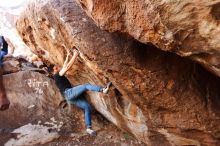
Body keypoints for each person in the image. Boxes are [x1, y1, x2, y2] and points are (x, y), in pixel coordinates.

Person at [51, 49, 111, 135]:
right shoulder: (56, 75)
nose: (57, 67)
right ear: (53, 71)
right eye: (56, 67)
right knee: (86, 86)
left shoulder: (57, 76)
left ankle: (89, 128)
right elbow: (67, 67)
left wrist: (68, 56)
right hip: (69, 93)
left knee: (87, 107)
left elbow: (64, 66)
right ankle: (103, 89)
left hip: (69, 98)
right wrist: (75, 55)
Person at [0, 35, 15, 111]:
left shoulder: (4, 38)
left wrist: (9, 54)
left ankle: (3, 95)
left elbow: (12, 47)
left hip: (1, 53)